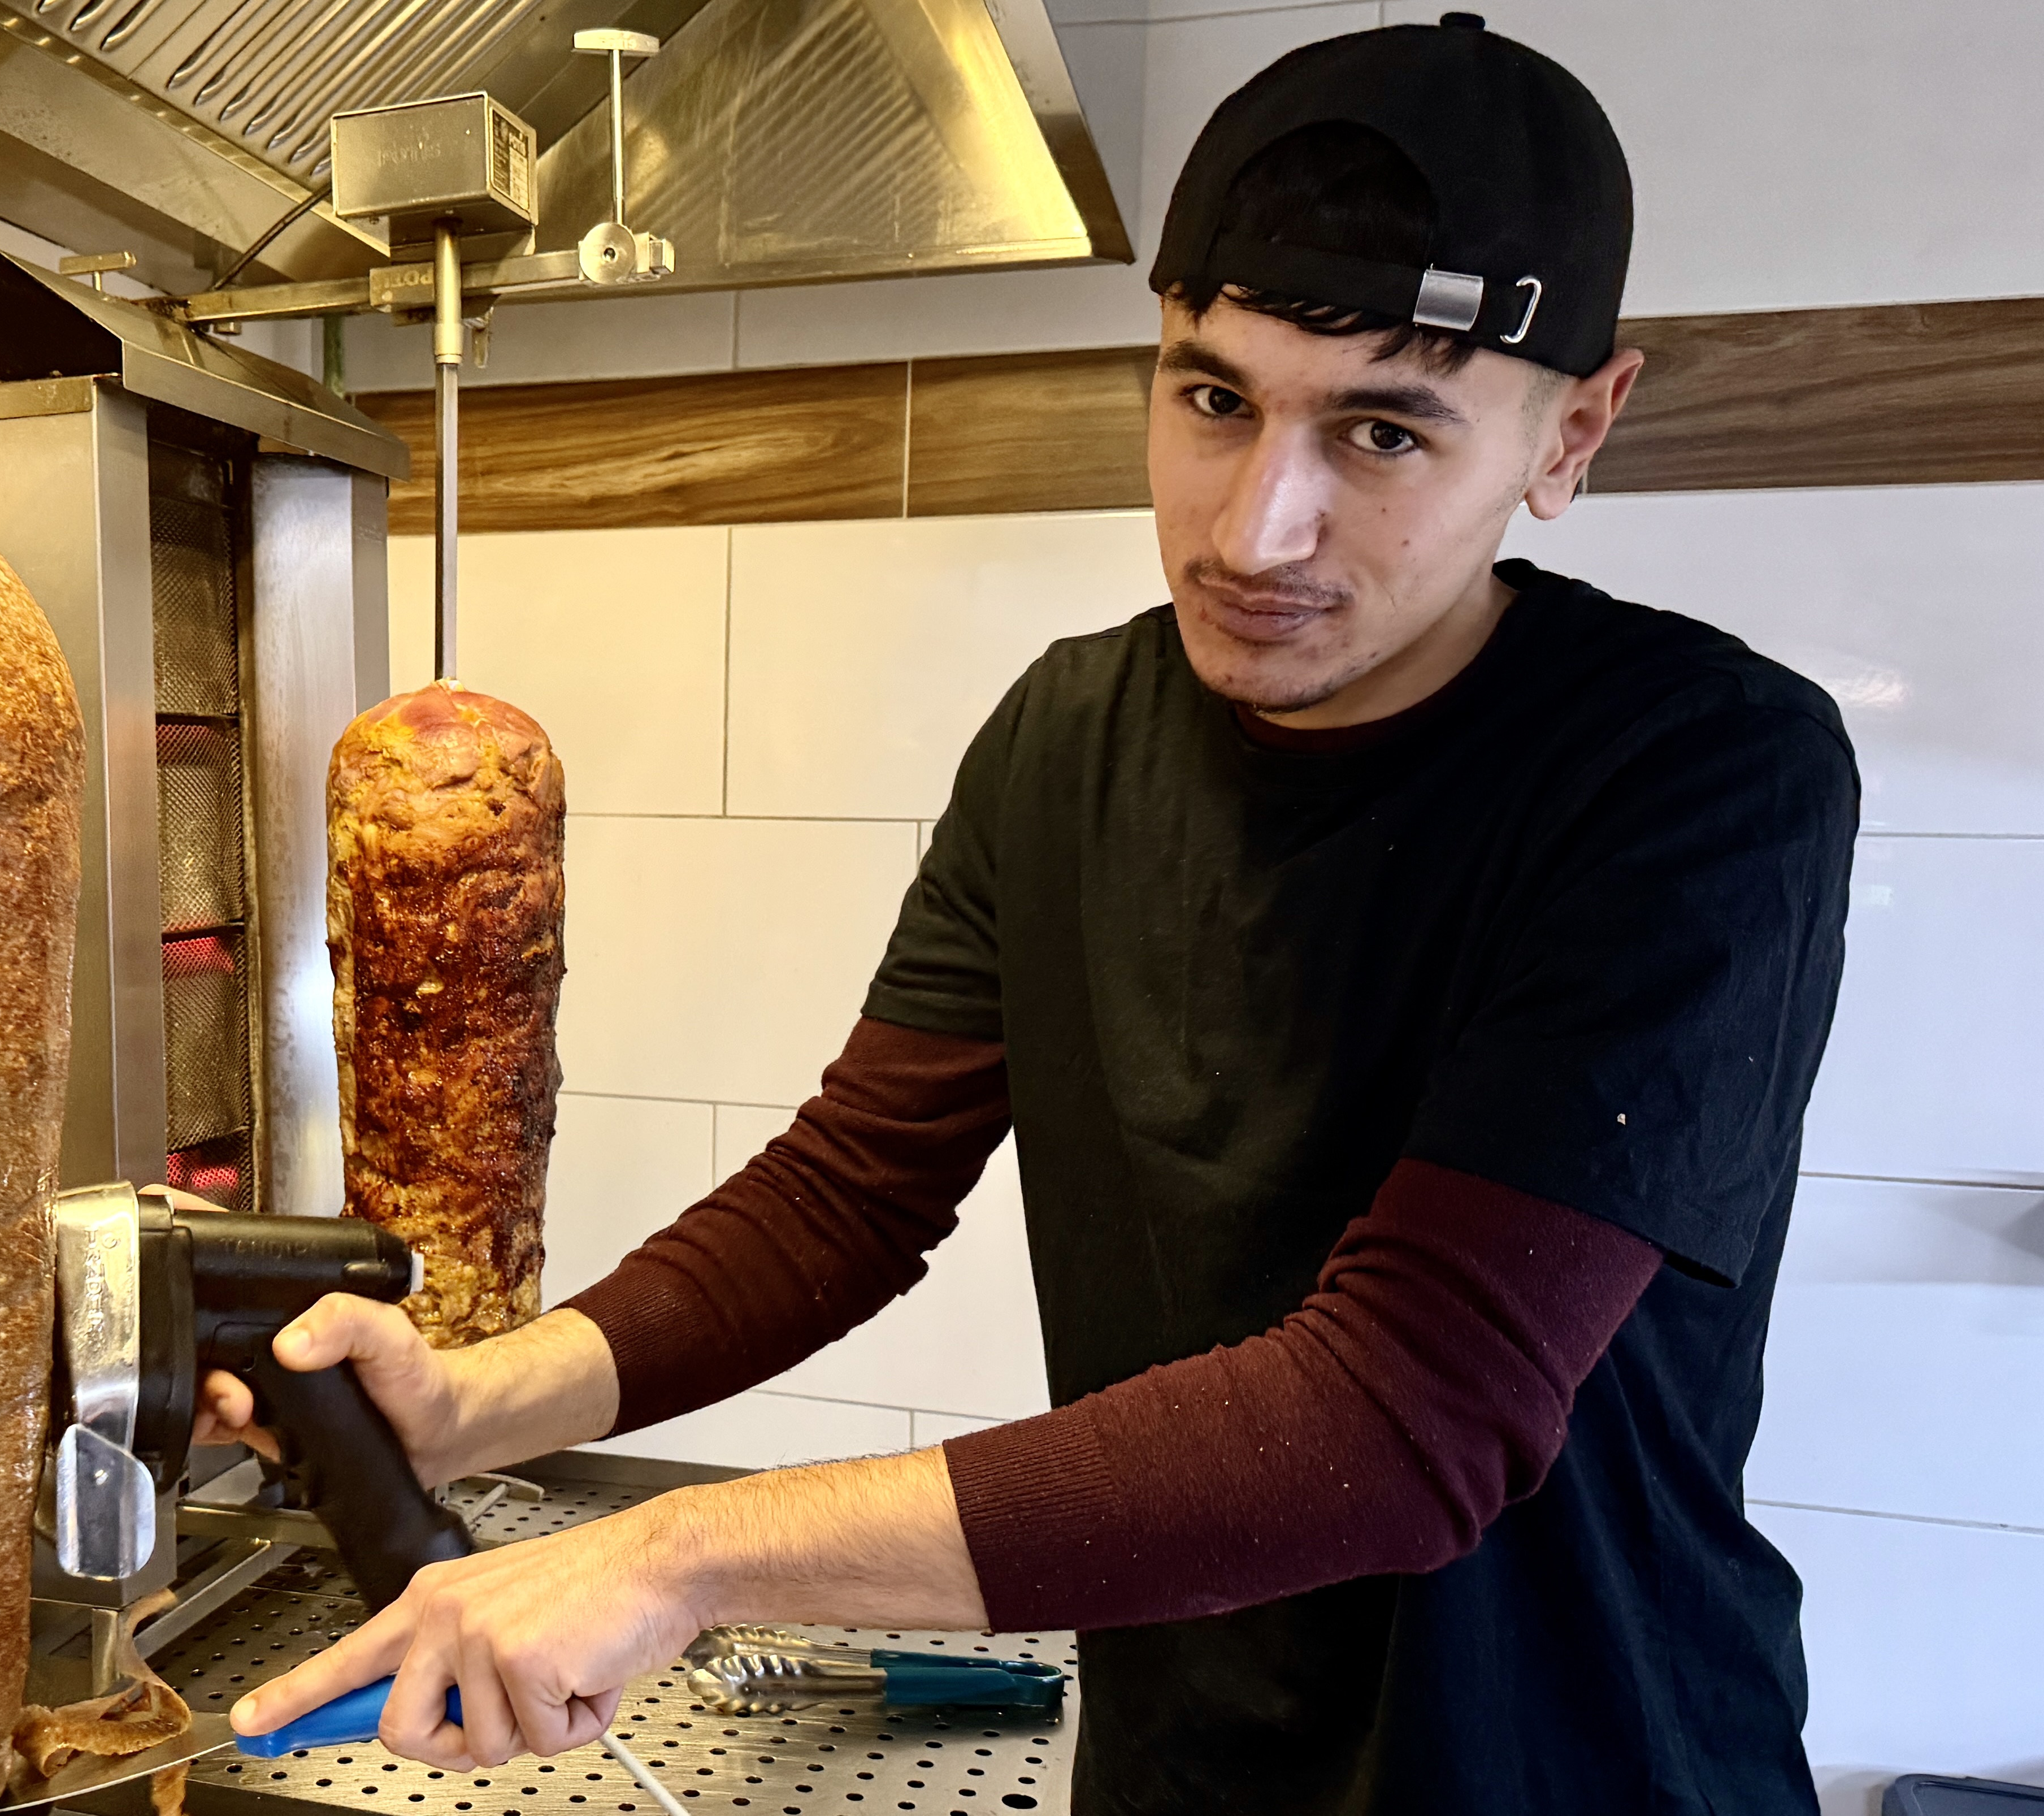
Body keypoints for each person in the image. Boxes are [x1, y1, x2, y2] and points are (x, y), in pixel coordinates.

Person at [203, 15, 1859, 1814]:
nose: (1257, 530)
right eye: (1212, 399)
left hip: (1573, 1768)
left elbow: (1405, 1419)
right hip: (1175, 1763)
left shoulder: (1696, 774)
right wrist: (480, 1400)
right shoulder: (1072, 735)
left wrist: (678, 1555)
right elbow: (848, 1198)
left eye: (1383, 431)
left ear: (1575, 431)